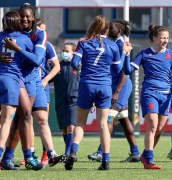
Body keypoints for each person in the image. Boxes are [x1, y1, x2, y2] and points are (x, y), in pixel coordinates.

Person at [0, 3, 59, 170]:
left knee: (27, 118)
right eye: (21, 16)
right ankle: (16, 157)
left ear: (33, 18)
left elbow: (38, 60)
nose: (24, 19)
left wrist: (15, 48)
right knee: (19, 118)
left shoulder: (39, 34)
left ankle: (37, 155)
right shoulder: (12, 31)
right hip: (13, 79)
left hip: (30, 81)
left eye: (27, 16)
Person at [64, 15, 132, 171]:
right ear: (107, 30)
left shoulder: (83, 42)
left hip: (87, 85)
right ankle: (105, 162)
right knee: (103, 125)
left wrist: (83, 66)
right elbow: (116, 69)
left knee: (80, 123)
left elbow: (74, 64)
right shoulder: (113, 46)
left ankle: (73, 151)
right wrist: (124, 53)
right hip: (105, 87)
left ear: (92, 27)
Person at [88, 19, 140, 163]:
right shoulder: (117, 43)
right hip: (115, 86)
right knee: (123, 119)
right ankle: (135, 153)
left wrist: (117, 91)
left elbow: (125, 71)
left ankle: (100, 152)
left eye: (111, 27)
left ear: (119, 30)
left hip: (121, 86)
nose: (108, 29)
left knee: (108, 117)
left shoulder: (121, 44)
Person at [123, 24, 172, 169]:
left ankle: (144, 155)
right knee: (152, 126)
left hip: (166, 95)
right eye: (163, 38)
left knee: (159, 130)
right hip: (150, 93)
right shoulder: (144, 54)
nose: (166, 40)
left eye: (167, 38)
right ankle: (149, 160)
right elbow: (127, 70)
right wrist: (126, 55)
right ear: (154, 38)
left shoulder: (170, 54)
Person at [0, 11, 34, 171]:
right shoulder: (24, 39)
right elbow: (33, 62)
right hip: (11, 82)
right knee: (6, 122)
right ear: (17, 22)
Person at [37, 18, 60, 165]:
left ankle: (47, 155)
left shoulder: (47, 45)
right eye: (40, 29)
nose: (43, 32)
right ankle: (12, 155)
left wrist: (45, 80)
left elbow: (56, 66)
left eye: (44, 29)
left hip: (41, 88)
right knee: (21, 122)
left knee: (43, 120)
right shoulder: (27, 40)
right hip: (25, 85)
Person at [54, 42, 80, 158]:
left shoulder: (78, 68)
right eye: (63, 51)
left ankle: (68, 153)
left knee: (71, 128)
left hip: (74, 101)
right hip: (60, 101)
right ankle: (70, 153)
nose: (64, 53)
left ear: (73, 53)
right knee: (64, 129)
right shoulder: (56, 67)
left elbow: (84, 85)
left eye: (67, 51)